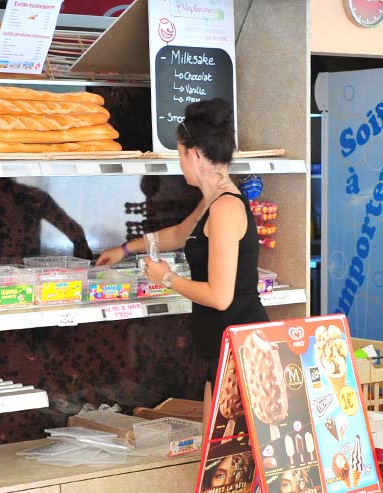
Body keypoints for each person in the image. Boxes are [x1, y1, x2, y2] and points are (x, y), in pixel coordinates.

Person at [96, 98, 266, 383]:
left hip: (241, 349)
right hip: (222, 345)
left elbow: (220, 297)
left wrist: (167, 278)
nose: (180, 164)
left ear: (194, 154)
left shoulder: (224, 208)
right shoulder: (213, 200)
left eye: (179, 155)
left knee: (230, 429)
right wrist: (125, 249)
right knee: (214, 429)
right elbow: (178, 234)